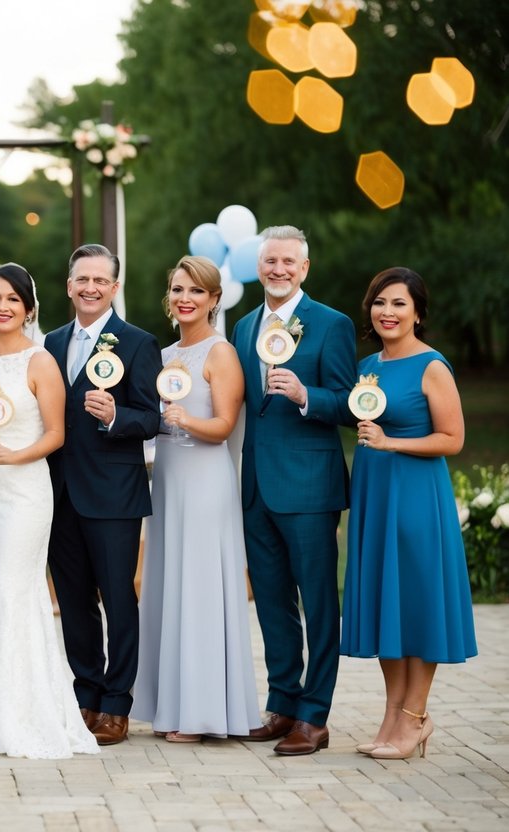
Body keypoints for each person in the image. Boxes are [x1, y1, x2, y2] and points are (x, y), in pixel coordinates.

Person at [0, 263, 98, 759]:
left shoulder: (39, 362)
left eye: (13, 299)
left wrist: (14, 456)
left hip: (24, 495)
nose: (2, 306)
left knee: (16, 594)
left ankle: (26, 715)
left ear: (30, 309)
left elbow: (56, 434)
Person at [230, 225, 356, 756]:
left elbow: (351, 401)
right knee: (273, 602)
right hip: (256, 485)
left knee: (318, 602)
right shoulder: (242, 327)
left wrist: (308, 395)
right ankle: (281, 702)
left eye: (288, 262)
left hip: (308, 485)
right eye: (270, 261)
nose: (278, 270)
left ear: (305, 268)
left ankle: (314, 714)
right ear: (259, 267)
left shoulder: (332, 325)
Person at [343, 267, 477, 759]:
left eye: (399, 303)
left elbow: (453, 439)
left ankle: (416, 717)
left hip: (417, 496)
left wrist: (389, 441)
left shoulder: (432, 365)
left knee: (416, 600)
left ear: (418, 312)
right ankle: (391, 714)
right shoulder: (367, 367)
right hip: (376, 495)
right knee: (388, 602)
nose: (388, 312)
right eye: (380, 302)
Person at [131, 255, 261, 742]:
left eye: (196, 291)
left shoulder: (220, 353)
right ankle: (173, 703)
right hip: (167, 478)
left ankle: (205, 711)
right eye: (179, 290)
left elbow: (224, 424)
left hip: (206, 478)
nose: (186, 299)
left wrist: (184, 420)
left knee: (201, 586)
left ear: (213, 299)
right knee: (169, 583)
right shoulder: (162, 355)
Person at [45, 243, 161, 746]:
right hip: (57, 492)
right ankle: (86, 694)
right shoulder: (49, 343)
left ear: (115, 287)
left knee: (118, 598)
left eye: (100, 280)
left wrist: (115, 416)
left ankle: (118, 702)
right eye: (81, 280)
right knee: (73, 602)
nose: (90, 288)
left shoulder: (136, 343)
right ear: (69, 286)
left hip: (113, 494)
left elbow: (151, 415)